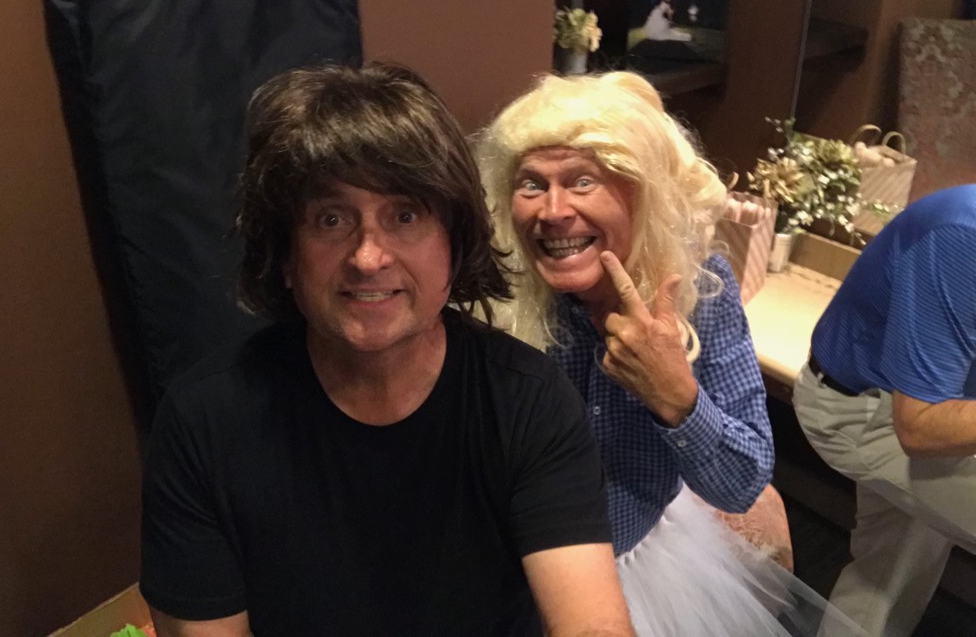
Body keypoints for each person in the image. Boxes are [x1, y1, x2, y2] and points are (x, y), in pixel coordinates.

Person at [139, 62, 635, 637]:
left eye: (405, 215)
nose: (368, 257)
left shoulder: (529, 400)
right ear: (285, 255)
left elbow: (593, 624)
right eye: (331, 219)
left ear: (455, 242)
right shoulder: (204, 422)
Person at [479, 70, 864, 635]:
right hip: (510, 574)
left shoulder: (702, 293)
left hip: (642, 566)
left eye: (582, 181)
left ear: (641, 194)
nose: (553, 210)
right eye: (531, 185)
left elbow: (742, 485)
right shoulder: (495, 294)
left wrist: (676, 398)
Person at [792, 184, 976, 637]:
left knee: (889, 575)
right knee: (894, 566)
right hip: (864, 409)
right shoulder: (962, 234)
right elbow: (920, 427)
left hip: (929, 405)